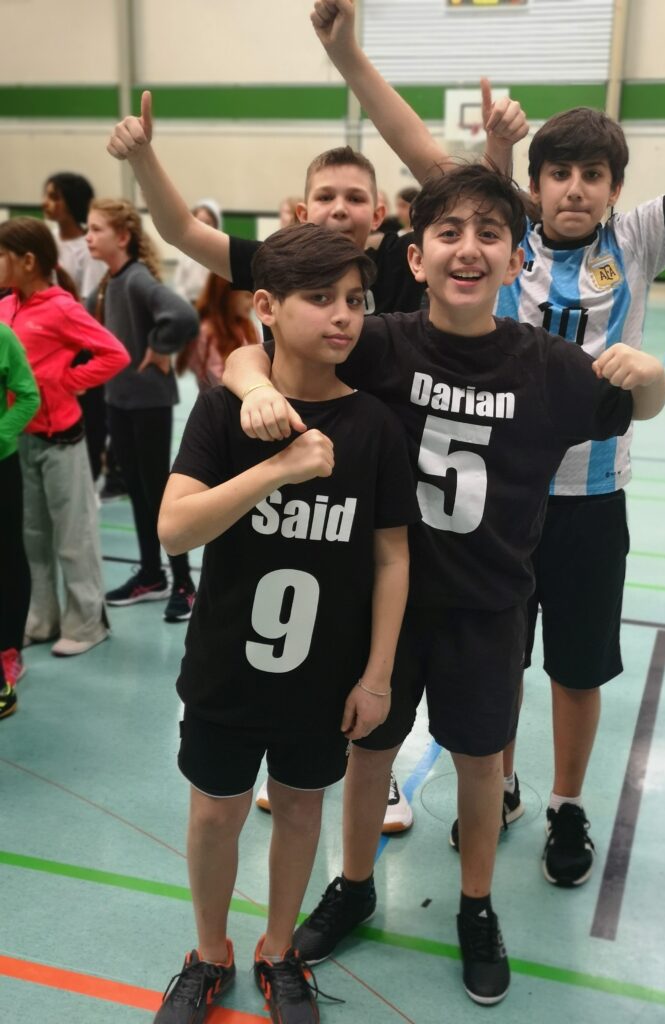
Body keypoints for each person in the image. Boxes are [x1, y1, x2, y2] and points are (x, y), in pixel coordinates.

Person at [317, 0, 665, 884]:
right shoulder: (501, 232)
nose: (574, 189)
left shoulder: (640, 238)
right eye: (558, 173)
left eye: (593, 175)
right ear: (534, 184)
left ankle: (567, 801)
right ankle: (505, 783)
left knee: (577, 667)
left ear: (615, 187)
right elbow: (411, 142)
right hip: (500, 498)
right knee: (500, 661)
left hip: (591, 497)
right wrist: (346, 54)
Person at [224, 150, 665, 1005]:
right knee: (369, 752)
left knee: (478, 762)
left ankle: (475, 905)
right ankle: (355, 883)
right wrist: (250, 385)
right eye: (450, 232)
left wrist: (652, 379)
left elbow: (634, 405)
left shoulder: (547, 366)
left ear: (516, 258)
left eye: (491, 234)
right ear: (417, 255)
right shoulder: (380, 342)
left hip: (489, 609)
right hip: (380, 605)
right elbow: (259, 350)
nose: (469, 248)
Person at [106, 85, 514, 827]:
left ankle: (375, 769)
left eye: (355, 197)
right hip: (302, 471)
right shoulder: (286, 266)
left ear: (380, 214)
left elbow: (472, 215)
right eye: (324, 196)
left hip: (384, 477)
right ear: (301, 210)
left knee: (373, 636)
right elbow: (184, 236)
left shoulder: (401, 269)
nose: (339, 208)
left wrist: (498, 153)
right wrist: (143, 159)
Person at [152, 222, 418, 1024]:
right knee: (215, 813)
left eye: (356, 301)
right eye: (321, 298)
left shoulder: (374, 426)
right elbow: (175, 529)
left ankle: (278, 951)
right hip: (226, 668)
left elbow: (392, 558)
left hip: (324, 675)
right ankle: (209, 954)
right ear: (266, 306)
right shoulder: (222, 411)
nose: (344, 316)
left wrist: (377, 678)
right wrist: (279, 470)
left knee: (301, 809)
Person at [0, 218, 129, 657]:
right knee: (32, 537)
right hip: (21, 440)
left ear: (28, 261)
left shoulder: (61, 308)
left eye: (2, 255)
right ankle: (41, 617)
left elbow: (114, 353)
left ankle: (87, 623)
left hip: (61, 440)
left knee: (74, 537)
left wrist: (68, 381)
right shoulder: (6, 307)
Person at [85, 199, 200, 623]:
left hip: (148, 403)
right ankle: (152, 574)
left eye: (96, 229)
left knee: (158, 494)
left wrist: (159, 346)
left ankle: (184, 582)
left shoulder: (135, 279)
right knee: (136, 489)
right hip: (118, 401)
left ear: (122, 237)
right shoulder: (108, 282)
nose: (88, 237)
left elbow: (182, 315)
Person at [42, 171, 111, 484]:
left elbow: (89, 305)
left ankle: (90, 477)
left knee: (88, 417)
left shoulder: (86, 248)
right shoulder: (47, 241)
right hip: (46, 343)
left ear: (70, 203)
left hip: (77, 346)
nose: (46, 203)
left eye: (54, 197)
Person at [0, 323, 39, 716]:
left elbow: (28, 396)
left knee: (8, 555)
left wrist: (0, 434)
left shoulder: (2, 337)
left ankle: (9, 649)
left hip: (2, 465)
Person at [176, 273, 258, 391]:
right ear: (227, 295)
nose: (253, 304)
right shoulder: (206, 333)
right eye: (248, 296)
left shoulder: (248, 327)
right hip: (225, 399)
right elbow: (218, 381)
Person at [172, 199, 223, 303]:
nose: (202, 226)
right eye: (198, 222)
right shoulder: (185, 251)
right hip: (188, 304)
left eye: (208, 222)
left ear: (216, 225)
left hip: (211, 305)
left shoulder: (220, 253)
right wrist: (186, 305)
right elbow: (179, 283)